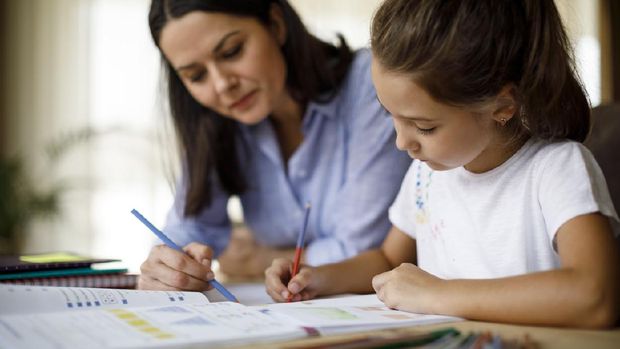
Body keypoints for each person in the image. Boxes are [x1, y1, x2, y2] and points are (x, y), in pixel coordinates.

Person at [265, 0, 620, 328]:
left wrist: (436, 294)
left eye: (424, 126)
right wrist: (319, 277)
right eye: (391, 116)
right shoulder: (427, 174)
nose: (402, 142)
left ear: (503, 106)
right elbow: (389, 260)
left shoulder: (557, 169)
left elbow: (595, 297)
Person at [138, 0, 411, 291]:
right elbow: (191, 227)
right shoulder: (217, 123)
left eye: (232, 52)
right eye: (196, 76)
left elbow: (365, 250)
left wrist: (261, 259)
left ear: (276, 25)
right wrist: (168, 264)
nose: (221, 85)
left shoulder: (373, 85)